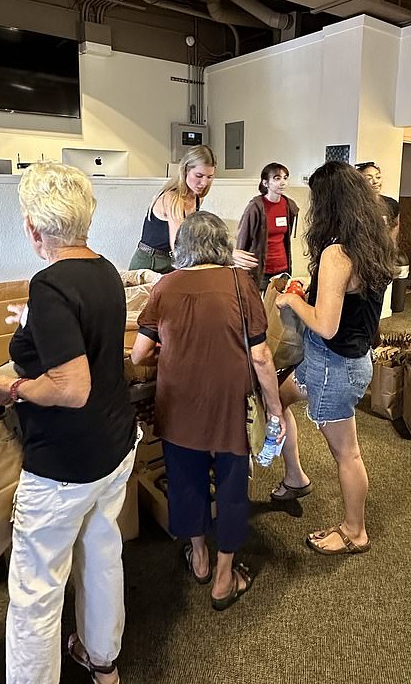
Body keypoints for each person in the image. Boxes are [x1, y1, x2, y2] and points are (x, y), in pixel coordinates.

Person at [0, 162, 138, 684]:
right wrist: (32, 326)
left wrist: (14, 388)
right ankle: (103, 661)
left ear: (33, 227)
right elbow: (87, 339)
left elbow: (71, 388)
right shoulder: (105, 270)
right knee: (101, 554)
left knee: (36, 592)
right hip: (113, 447)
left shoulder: (48, 284)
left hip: (64, 465)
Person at [131, 211, 285, 610]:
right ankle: (223, 577)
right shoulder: (240, 283)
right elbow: (262, 356)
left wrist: (174, 356)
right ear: (222, 244)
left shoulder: (165, 286)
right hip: (229, 403)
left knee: (185, 481)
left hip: (178, 403)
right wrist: (275, 409)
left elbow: (140, 353)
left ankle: (198, 558)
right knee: (233, 485)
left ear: (182, 246)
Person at [273, 160, 396, 555]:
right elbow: (344, 304)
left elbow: (325, 325)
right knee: (277, 398)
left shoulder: (336, 253)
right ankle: (296, 477)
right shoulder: (374, 242)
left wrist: (293, 300)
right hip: (339, 360)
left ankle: (354, 530)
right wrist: (310, 292)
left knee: (347, 453)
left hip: (333, 366)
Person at [129, 144, 257, 274]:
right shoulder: (172, 199)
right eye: (199, 175)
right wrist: (224, 253)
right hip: (151, 263)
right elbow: (179, 246)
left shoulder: (197, 198)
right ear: (185, 170)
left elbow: (194, 237)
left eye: (209, 177)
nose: (204, 183)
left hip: (172, 262)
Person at [237, 162, 299, 290]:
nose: (283, 182)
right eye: (277, 178)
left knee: (277, 307)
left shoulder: (289, 205)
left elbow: (286, 237)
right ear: (265, 183)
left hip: (282, 268)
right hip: (261, 270)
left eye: (285, 178)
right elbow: (243, 240)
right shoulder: (255, 207)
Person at [355, 161, 400, 239]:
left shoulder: (391, 203)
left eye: (378, 177)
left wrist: (391, 244)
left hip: (383, 248)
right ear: (360, 182)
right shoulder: (354, 204)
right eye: (369, 178)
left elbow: (395, 226)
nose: (375, 181)